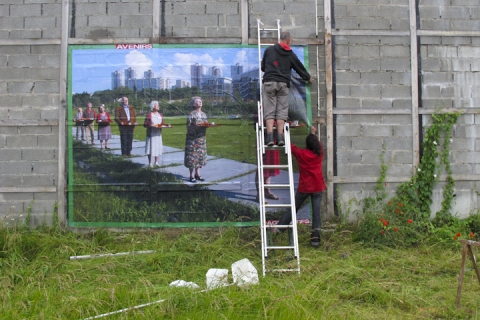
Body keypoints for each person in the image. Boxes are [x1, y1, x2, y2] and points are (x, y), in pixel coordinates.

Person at [261, 31, 313, 147]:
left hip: (269, 82)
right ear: (289, 41)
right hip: (283, 84)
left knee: (269, 110)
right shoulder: (290, 54)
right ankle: (280, 138)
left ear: (280, 39)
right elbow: (299, 68)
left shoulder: (269, 50)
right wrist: (308, 78)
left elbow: (263, 67)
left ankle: (269, 138)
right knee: (281, 111)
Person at [277, 125, 326, 248]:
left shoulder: (302, 154)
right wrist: (313, 133)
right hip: (318, 188)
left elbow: (290, 146)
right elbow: (318, 144)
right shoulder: (319, 154)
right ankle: (315, 240)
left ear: (307, 144)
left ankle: (279, 228)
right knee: (316, 215)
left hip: (304, 188)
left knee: (293, 209)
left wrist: (283, 134)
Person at [184, 96, 208, 182]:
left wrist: (207, 125)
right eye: (198, 101)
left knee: (200, 157)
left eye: (200, 101)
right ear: (194, 104)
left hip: (201, 139)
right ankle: (191, 175)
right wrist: (194, 126)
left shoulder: (204, 114)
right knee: (192, 157)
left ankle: (198, 174)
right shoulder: (191, 114)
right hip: (192, 139)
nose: (200, 102)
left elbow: (206, 124)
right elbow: (188, 126)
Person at [144, 100, 164, 167]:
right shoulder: (149, 115)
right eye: (156, 105)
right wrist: (150, 124)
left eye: (158, 105)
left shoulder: (160, 115)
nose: (158, 106)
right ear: (153, 107)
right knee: (150, 148)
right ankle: (150, 163)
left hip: (158, 134)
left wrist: (163, 125)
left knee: (157, 147)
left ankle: (156, 162)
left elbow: (162, 123)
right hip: (151, 134)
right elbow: (145, 124)